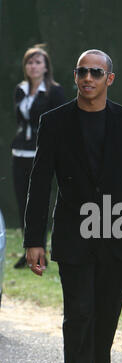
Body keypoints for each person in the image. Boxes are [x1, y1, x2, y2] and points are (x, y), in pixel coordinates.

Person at [24, 49, 122, 363]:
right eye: (82, 71)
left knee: (106, 313)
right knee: (78, 313)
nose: (88, 78)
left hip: (119, 233)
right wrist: (35, 239)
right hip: (73, 233)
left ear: (109, 79)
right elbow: (40, 181)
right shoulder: (55, 121)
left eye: (96, 72)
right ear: (76, 76)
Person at [11, 44, 65, 268]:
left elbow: (60, 123)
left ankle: (41, 250)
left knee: (39, 201)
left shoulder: (54, 91)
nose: (33, 66)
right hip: (19, 151)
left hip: (40, 153)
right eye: (30, 62)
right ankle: (28, 249)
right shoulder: (20, 89)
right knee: (22, 200)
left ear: (46, 67)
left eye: (38, 62)